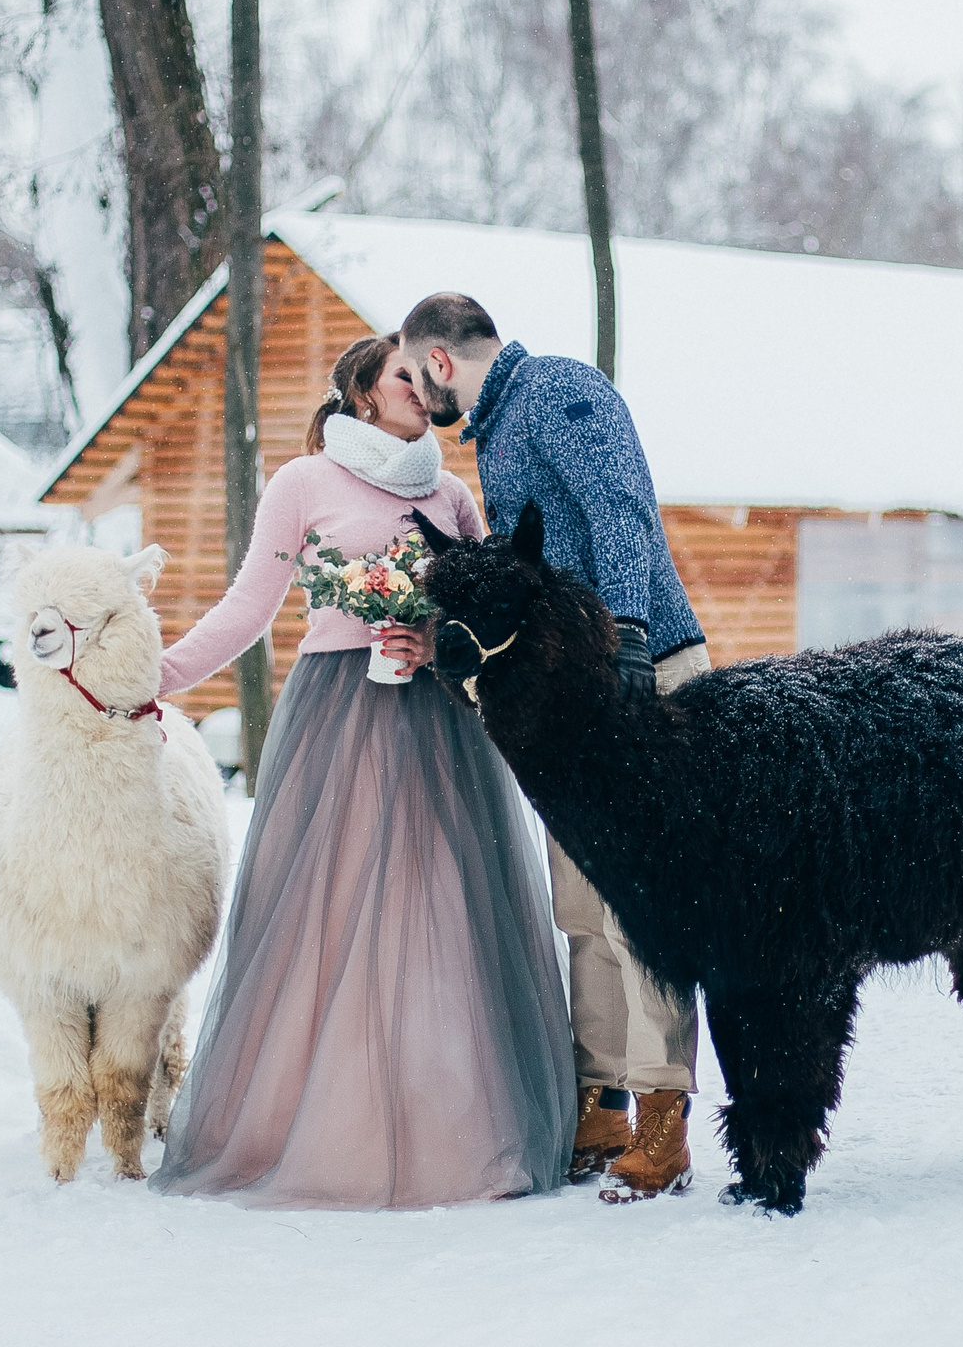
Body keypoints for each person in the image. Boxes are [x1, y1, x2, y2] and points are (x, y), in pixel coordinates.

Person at [146, 335, 572, 1209]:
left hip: (438, 724)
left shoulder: (451, 494)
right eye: (403, 374)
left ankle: (454, 1131)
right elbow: (250, 604)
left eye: (426, 374)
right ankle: (329, 1128)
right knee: (336, 917)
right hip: (339, 719)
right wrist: (155, 674)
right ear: (363, 392)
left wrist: (438, 641)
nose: (421, 385)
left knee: (445, 916)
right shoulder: (303, 482)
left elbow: (498, 603)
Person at [383, 292, 709, 1202]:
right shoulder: (494, 432)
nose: (415, 395)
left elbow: (619, 510)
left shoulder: (563, 389)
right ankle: (601, 1102)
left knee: (640, 906)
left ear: (440, 362)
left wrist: (631, 633)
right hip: (568, 700)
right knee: (582, 905)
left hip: (641, 673)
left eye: (412, 373)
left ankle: (663, 1116)